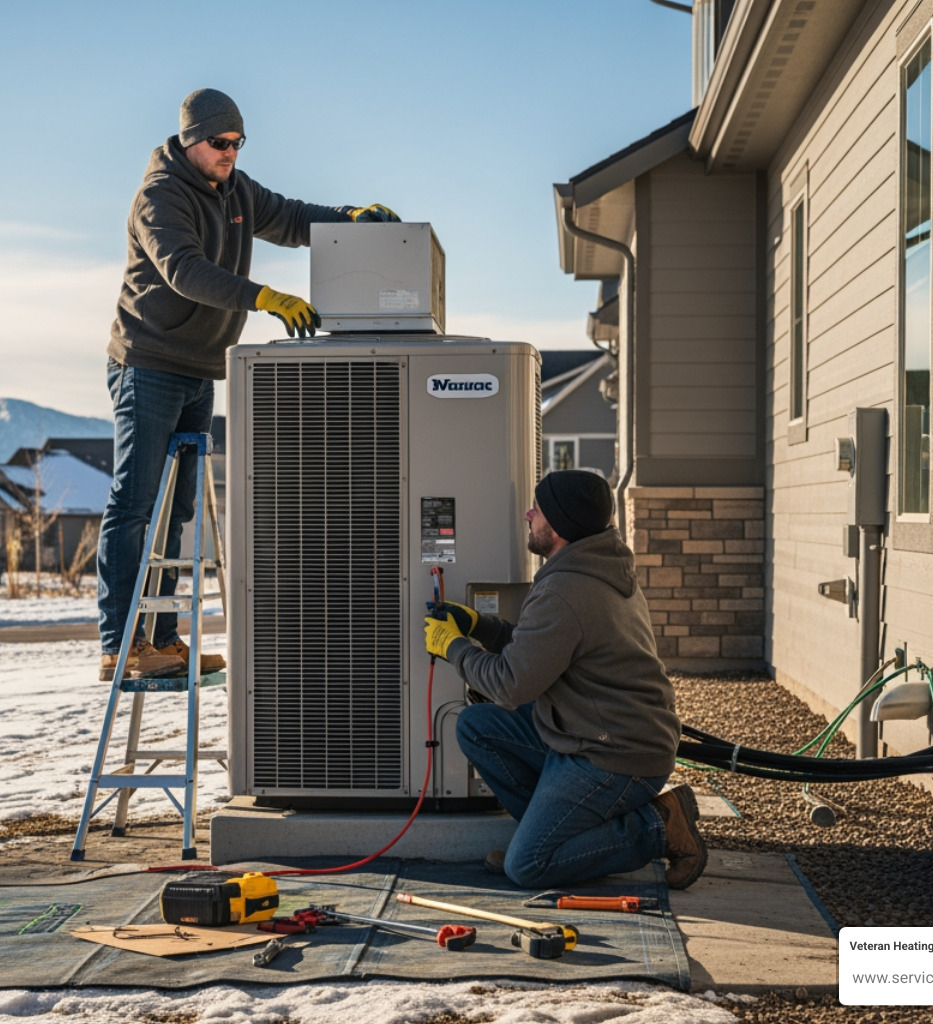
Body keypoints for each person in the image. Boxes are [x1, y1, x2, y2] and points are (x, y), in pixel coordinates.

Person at [99, 88, 398, 681]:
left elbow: (289, 217)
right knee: (136, 503)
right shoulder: (159, 196)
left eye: (238, 143)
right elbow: (183, 270)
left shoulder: (236, 190)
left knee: (177, 511)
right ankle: (120, 644)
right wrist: (260, 296)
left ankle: (159, 639)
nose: (230, 153)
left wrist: (350, 221)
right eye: (220, 143)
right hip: (148, 364)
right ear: (191, 141)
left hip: (199, 368)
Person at [423, 470, 707, 890]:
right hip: (585, 731)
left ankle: (659, 825)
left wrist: (454, 647)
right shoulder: (593, 566)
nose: (527, 514)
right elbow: (541, 648)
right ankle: (550, 841)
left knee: (528, 868)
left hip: (615, 756)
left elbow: (510, 684)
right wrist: (479, 626)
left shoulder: (567, 588)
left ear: (557, 526)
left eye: (536, 509)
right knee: (476, 726)